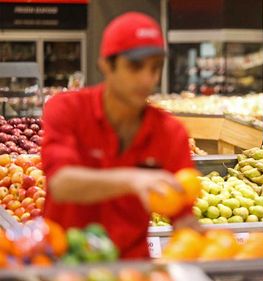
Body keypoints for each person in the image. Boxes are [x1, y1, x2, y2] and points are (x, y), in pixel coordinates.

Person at [41, 12, 199, 259]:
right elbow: (61, 183)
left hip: (131, 267)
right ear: (106, 65)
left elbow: (183, 218)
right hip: (65, 261)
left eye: (155, 67)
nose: (148, 79)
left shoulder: (170, 133)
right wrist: (132, 180)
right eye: (135, 66)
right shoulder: (67, 110)